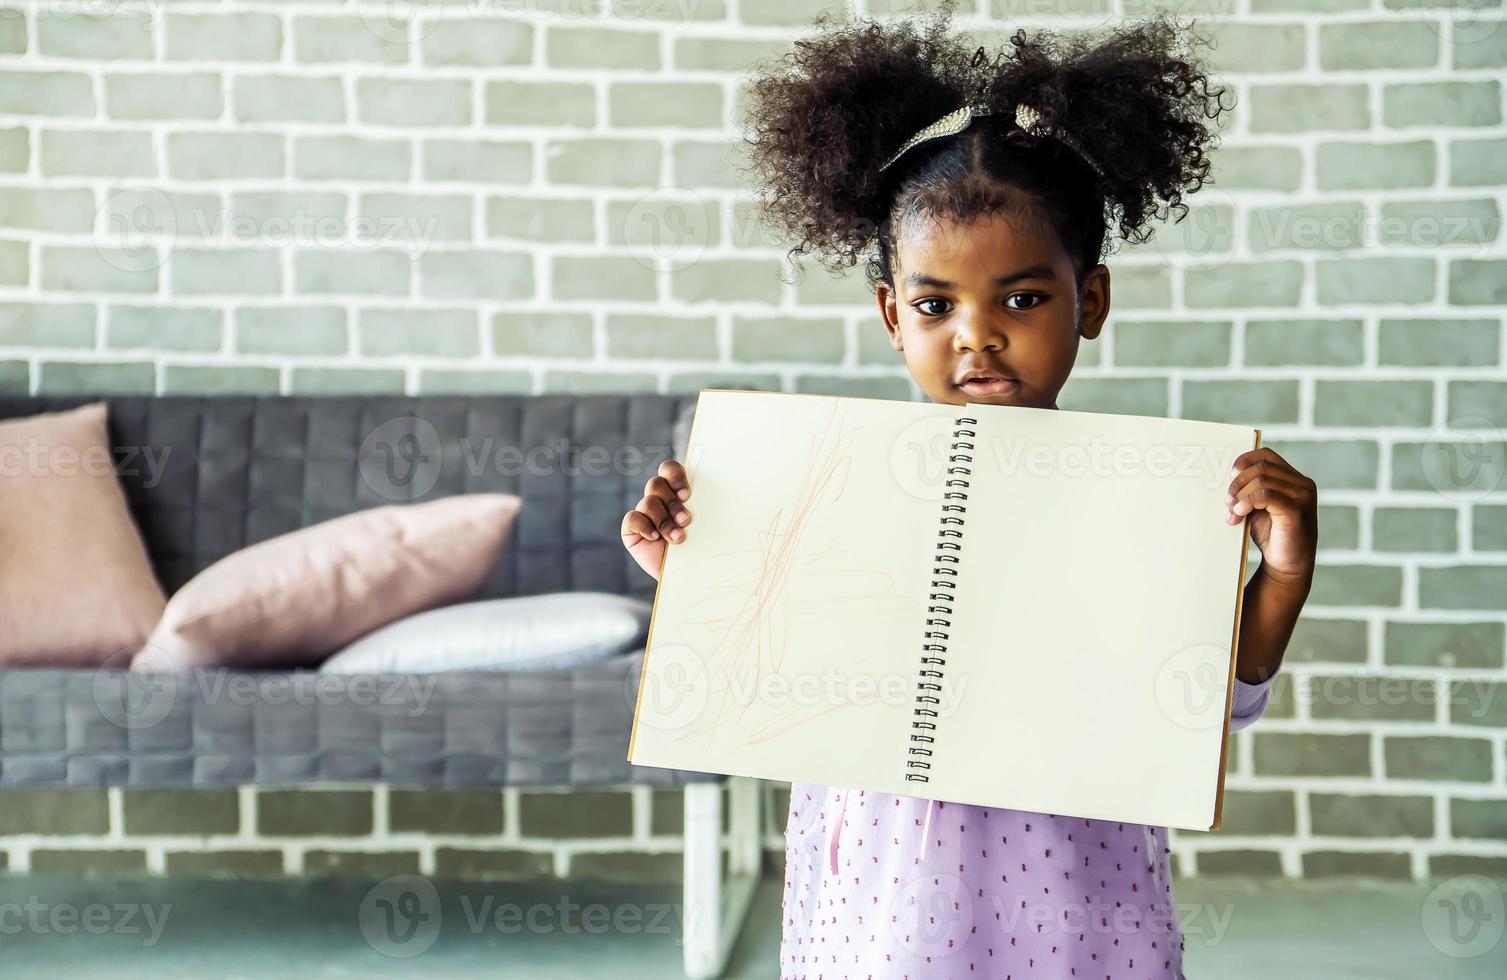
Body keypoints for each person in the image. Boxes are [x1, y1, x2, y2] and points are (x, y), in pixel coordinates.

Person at [621, 7, 1319, 977]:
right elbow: (787, 674)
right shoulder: (832, 486)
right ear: (889, 314)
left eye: (1022, 299)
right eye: (934, 304)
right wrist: (698, 574)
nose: (976, 336)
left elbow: (1200, 701)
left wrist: (1279, 574)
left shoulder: (1147, 503)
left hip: (1074, 885)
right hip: (885, 880)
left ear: (1094, 300)